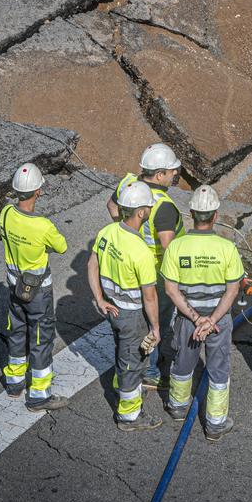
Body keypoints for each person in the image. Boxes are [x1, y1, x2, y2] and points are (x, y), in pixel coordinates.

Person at [160, 185, 244, 441]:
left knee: (183, 362)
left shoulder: (176, 247)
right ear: (216, 215)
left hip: (188, 319)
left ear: (192, 213)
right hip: (219, 321)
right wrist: (212, 321)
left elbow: (171, 291)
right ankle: (215, 424)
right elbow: (232, 291)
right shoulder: (227, 248)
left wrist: (197, 319)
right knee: (218, 369)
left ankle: (177, 406)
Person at [107, 143, 185, 389]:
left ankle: (135, 363)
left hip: (126, 262)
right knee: (155, 322)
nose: (175, 175)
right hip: (154, 272)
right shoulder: (162, 206)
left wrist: (130, 235)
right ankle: (150, 372)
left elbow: (111, 207)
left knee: (136, 317)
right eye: (172, 172)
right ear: (160, 174)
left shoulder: (127, 183)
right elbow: (169, 248)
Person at [87, 181, 164, 431]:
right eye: (148, 207)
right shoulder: (140, 251)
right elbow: (150, 297)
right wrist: (155, 327)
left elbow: (92, 265)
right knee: (133, 362)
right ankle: (129, 415)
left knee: (123, 351)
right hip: (132, 315)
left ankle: (125, 388)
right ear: (141, 213)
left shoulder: (107, 232)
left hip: (113, 309)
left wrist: (99, 299)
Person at [0, 163, 69, 412]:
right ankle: (39, 394)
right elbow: (61, 247)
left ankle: (14, 382)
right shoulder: (43, 226)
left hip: (14, 285)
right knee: (40, 339)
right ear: (38, 191)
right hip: (38, 291)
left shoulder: (6, 213)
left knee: (17, 331)